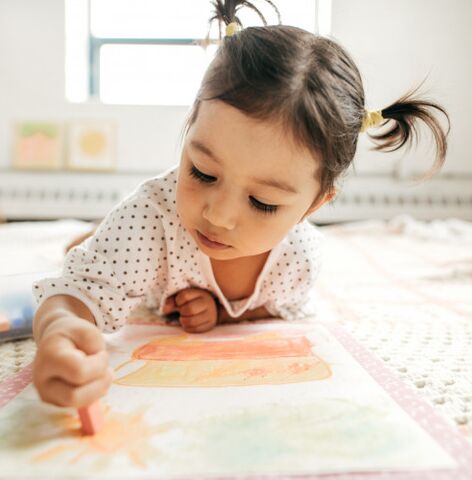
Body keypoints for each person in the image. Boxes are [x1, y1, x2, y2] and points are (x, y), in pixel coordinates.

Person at [31, 0, 450, 408]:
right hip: (135, 251)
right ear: (190, 125)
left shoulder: (297, 260)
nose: (218, 215)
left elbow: (274, 314)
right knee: (86, 255)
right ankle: (88, 240)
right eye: (203, 173)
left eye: (263, 202)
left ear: (313, 206)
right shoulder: (150, 218)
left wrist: (224, 315)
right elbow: (78, 293)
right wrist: (60, 332)